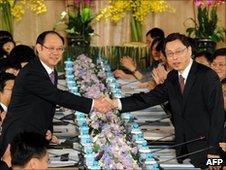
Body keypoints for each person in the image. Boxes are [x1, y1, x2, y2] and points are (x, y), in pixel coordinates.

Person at [108, 33, 225, 169]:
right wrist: (115, 103)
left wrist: (213, 152)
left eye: (178, 52)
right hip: (183, 148)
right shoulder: (173, 77)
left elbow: (217, 115)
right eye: (169, 54)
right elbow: (148, 98)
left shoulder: (206, 76)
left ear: (189, 51)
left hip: (207, 151)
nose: (174, 57)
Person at [0, 30, 111, 157]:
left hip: (32, 134)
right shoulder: (32, 72)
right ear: (39, 48)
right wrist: (94, 104)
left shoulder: (50, 70)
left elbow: (46, 103)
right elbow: (58, 96)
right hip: (19, 138)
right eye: (51, 48)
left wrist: (48, 129)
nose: (56, 53)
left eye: (59, 49)